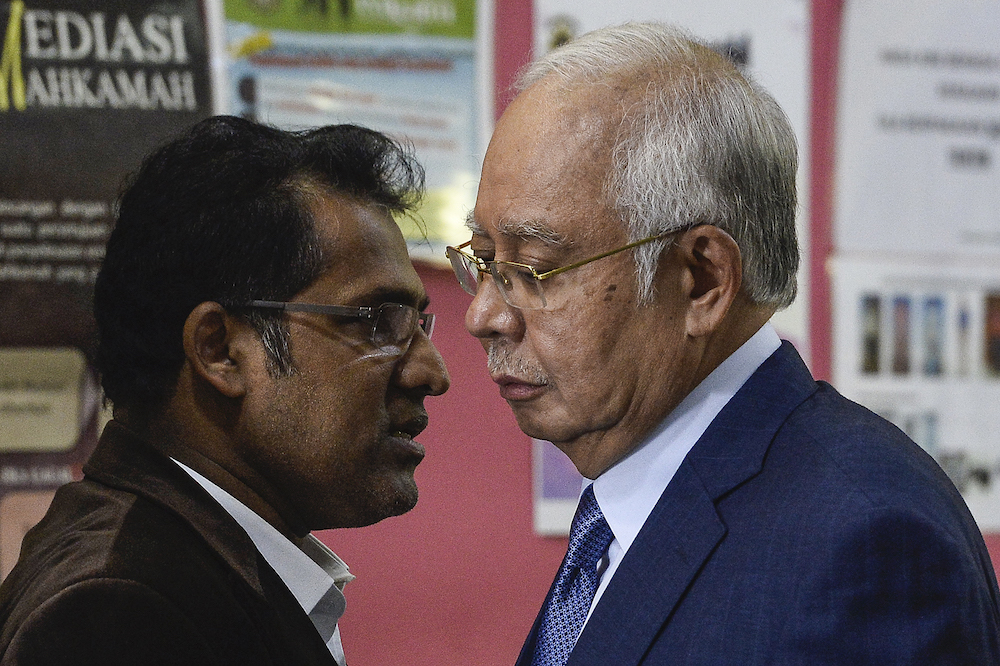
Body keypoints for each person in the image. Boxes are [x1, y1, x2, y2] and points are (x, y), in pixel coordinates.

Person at [446, 22, 1000, 665]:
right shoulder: (628, 493)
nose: (484, 315)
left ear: (703, 279)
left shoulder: (867, 545)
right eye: (484, 259)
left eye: (533, 270)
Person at [0, 116, 449, 665]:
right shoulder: (119, 611)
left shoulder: (196, 570)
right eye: (377, 322)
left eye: (417, 325)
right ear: (219, 350)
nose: (431, 373)